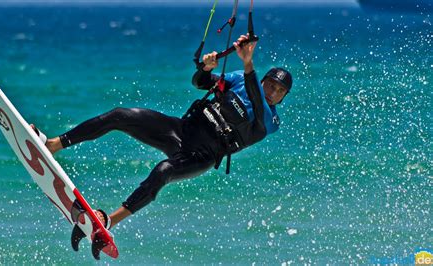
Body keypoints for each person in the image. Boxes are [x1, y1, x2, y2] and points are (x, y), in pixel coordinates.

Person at [31, 34, 293, 231]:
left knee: (164, 171)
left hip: (201, 154)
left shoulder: (269, 121)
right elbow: (200, 83)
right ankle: (54, 144)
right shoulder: (238, 79)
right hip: (181, 130)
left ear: (282, 98)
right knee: (120, 115)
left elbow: (258, 106)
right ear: (263, 81)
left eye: (279, 91)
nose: (272, 91)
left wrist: (249, 64)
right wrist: (206, 68)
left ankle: (109, 220)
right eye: (270, 84)